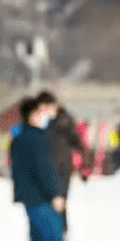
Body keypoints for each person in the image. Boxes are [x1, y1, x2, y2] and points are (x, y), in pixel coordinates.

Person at [9, 96, 71, 241]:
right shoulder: (37, 139)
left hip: (27, 196)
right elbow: (45, 170)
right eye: (40, 112)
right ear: (31, 115)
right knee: (55, 236)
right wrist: (56, 194)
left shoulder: (18, 138)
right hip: (42, 197)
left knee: (36, 237)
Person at [36, 90, 86, 232]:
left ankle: (61, 234)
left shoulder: (64, 121)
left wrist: (84, 165)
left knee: (58, 201)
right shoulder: (40, 121)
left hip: (61, 167)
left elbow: (77, 142)